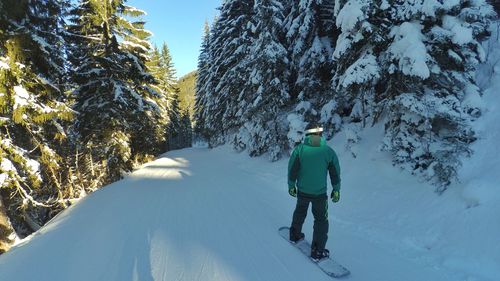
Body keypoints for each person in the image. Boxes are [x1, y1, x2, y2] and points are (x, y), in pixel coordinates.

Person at [287, 123, 341, 261]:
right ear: (320, 134)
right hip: (320, 194)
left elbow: (292, 169)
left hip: (303, 191)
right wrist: (336, 189)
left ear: (308, 134)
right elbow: (335, 173)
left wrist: (291, 185)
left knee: (300, 211)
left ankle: (294, 234)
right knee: (321, 220)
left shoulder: (300, 150)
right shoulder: (328, 152)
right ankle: (317, 250)